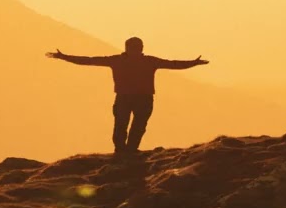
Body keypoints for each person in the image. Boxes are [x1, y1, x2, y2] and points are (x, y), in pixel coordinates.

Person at [46, 37, 209, 154]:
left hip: (132, 98)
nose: (138, 50)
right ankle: (124, 151)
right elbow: (173, 64)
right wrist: (64, 57)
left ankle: (127, 151)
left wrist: (63, 57)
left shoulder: (121, 60)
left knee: (132, 125)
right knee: (126, 125)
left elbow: (89, 60)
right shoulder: (144, 61)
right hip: (136, 98)